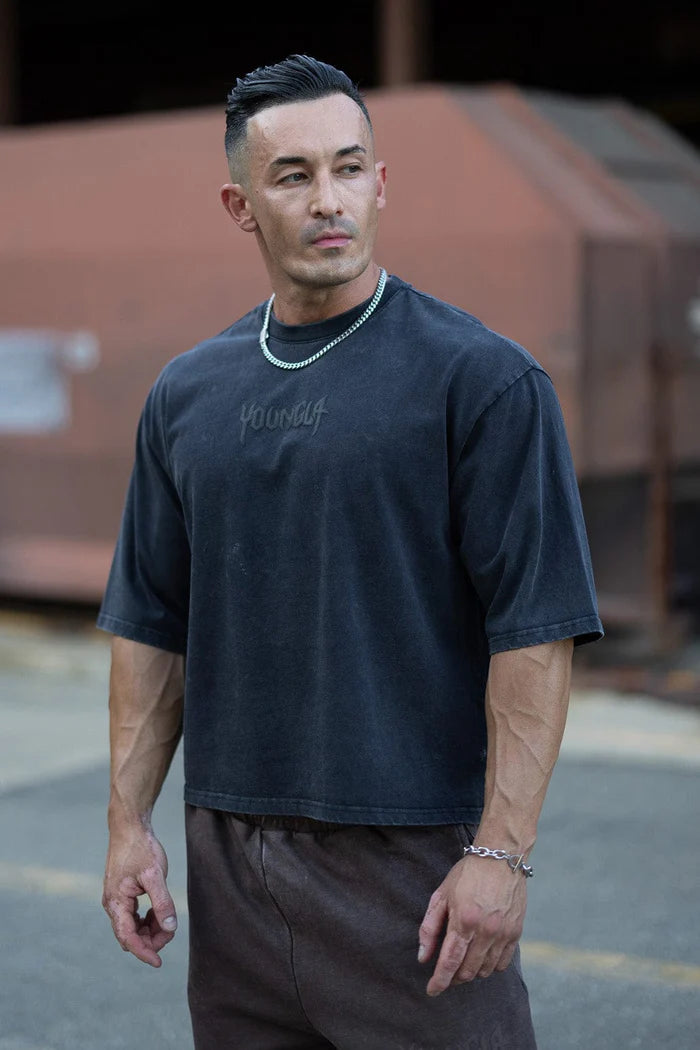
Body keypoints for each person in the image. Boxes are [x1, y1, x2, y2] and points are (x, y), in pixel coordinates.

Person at [97, 53, 604, 1049]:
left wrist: (501, 853)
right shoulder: (186, 395)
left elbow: (534, 630)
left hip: (410, 867)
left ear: (380, 183)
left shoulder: (483, 382)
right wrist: (128, 826)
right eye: (292, 176)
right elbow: (152, 626)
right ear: (241, 206)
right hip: (229, 865)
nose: (327, 200)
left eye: (348, 167)